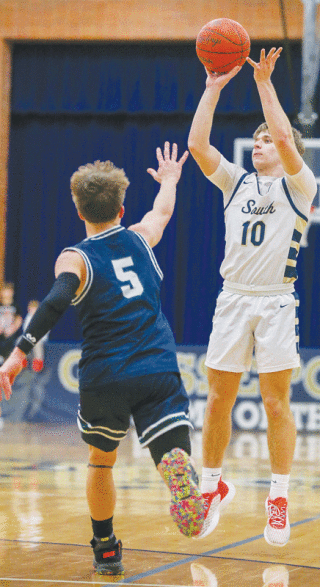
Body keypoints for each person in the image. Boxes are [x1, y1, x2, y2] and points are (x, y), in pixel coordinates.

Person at [0, 142, 204, 575]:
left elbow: (54, 303)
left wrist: (18, 355)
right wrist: (169, 180)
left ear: (78, 211)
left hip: (105, 374)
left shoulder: (76, 257)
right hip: (157, 366)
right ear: (122, 207)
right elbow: (162, 213)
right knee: (169, 440)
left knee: (101, 461)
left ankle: (106, 548)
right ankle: (176, 465)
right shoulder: (139, 237)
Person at [188, 48, 317, 545]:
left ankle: (278, 497)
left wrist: (264, 83)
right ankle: (211, 487)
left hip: (276, 301)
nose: (259, 144)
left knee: (275, 403)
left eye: (266, 141)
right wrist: (213, 87)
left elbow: (285, 134)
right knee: (218, 399)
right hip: (233, 299)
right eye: (256, 139)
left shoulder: (300, 185)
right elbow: (198, 143)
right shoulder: (236, 183)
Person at [0, 283, 23, 365]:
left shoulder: (15, 306)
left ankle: (4, 358)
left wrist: (13, 328)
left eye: (9, 291)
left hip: (10, 332)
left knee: (10, 343)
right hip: (1, 330)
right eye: (5, 291)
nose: (7, 293)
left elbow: (19, 319)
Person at [23, 300, 48, 372]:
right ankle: (22, 360)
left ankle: (38, 362)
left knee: (37, 344)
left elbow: (45, 331)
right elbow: (25, 330)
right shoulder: (28, 318)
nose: (32, 311)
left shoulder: (42, 318)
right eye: (31, 309)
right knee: (19, 341)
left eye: (34, 309)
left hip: (39, 338)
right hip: (29, 337)